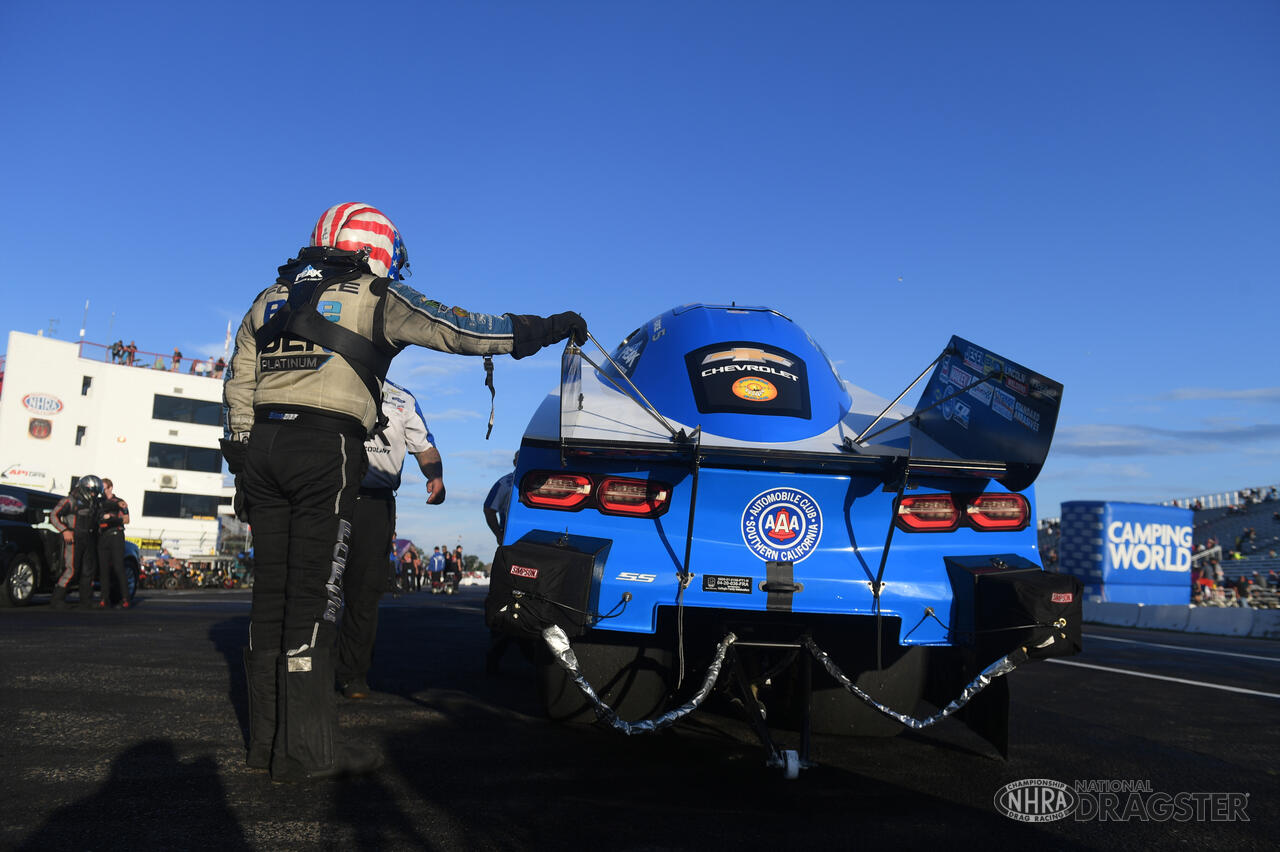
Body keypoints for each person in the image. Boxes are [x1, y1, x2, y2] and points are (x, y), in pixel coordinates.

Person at [221, 202, 585, 782]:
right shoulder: (376, 296)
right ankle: (306, 754)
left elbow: (240, 377)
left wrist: (242, 450)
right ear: (373, 248)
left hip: (263, 450)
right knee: (314, 600)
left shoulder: (268, 296)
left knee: (270, 601)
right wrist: (547, 329)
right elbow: (464, 329)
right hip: (326, 451)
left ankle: (265, 743)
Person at [336, 380, 444, 700]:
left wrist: (435, 476)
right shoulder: (334, 379)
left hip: (376, 503)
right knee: (315, 587)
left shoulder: (403, 398)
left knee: (365, 593)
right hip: (327, 497)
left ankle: (352, 674)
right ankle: (305, 669)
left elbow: (424, 445)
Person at [49, 476, 104, 609]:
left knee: (88, 571)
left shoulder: (95, 503)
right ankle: (57, 599)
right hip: (74, 538)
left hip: (89, 538)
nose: (93, 494)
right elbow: (53, 515)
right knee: (72, 569)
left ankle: (86, 601)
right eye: (92, 491)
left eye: (96, 492)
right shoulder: (70, 500)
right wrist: (65, 530)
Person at [96, 478, 131, 609]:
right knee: (103, 569)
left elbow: (127, 520)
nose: (102, 492)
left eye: (104, 489)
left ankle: (125, 598)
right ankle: (104, 599)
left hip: (116, 534)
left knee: (118, 566)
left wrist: (112, 518)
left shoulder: (119, 502)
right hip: (103, 536)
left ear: (110, 488)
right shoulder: (98, 502)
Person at [483, 455, 517, 546]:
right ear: (514, 462)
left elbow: (488, 509)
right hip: (511, 537)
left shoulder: (504, 482)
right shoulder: (504, 483)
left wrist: (499, 535)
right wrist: (499, 535)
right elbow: (488, 509)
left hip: (510, 537)